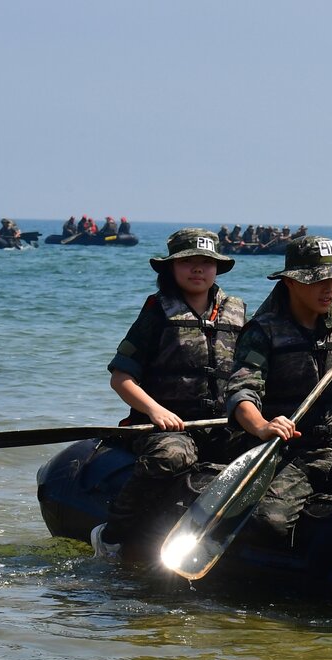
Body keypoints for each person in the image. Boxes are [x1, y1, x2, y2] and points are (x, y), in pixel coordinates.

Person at [91, 228, 247, 558]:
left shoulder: (237, 311)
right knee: (173, 457)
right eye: (188, 262)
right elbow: (121, 379)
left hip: (222, 427)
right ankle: (113, 533)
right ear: (171, 268)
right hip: (165, 429)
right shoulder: (157, 312)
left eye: (206, 262)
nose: (197, 269)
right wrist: (155, 411)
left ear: (217, 268)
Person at [223, 236, 332, 542]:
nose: (329, 288)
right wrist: (263, 426)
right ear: (291, 283)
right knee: (270, 523)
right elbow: (242, 390)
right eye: (317, 281)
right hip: (294, 451)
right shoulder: (264, 330)